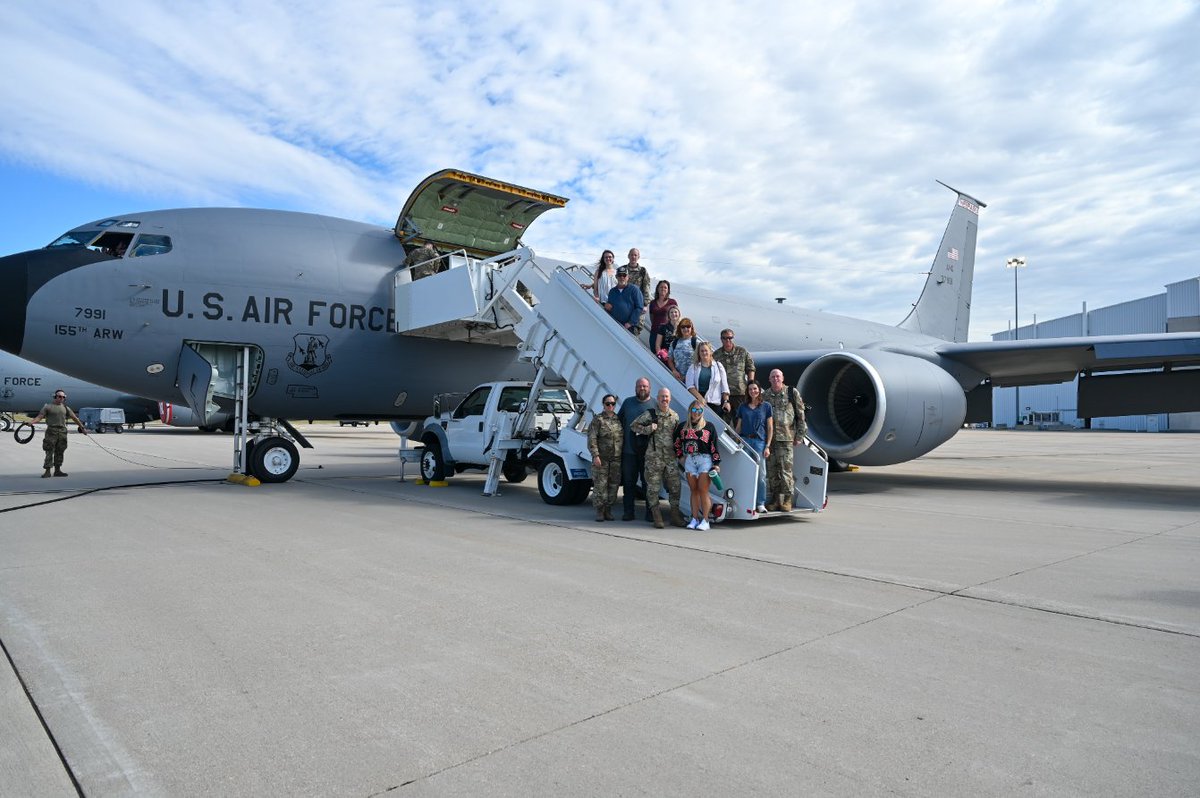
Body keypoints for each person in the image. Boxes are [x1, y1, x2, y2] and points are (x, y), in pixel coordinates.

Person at [630, 386, 685, 529]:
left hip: (670, 458)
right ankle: (656, 515)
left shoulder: (675, 416)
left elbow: (676, 437)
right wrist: (647, 429)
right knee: (653, 488)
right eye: (662, 396)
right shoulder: (650, 414)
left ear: (670, 399)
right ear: (658, 398)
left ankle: (674, 515)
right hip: (653, 458)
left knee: (675, 487)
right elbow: (633, 426)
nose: (664, 399)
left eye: (666, 397)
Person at [762, 368, 809, 512]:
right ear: (769, 380)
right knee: (772, 471)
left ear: (782, 378)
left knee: (785, 470)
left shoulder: (791, 393)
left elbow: (801, 415)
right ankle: (776, 499)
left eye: (778, 376)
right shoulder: (765, 396)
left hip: (786, 438)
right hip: (771, 440)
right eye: (773, 377)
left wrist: (800, 436)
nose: (775, 379)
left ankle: (787, 499)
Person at [675, 399, 721, 530]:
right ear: (690, 410)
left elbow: (714, 446)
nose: (696, 412)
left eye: (699, 410)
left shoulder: (709, 426)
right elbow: (676, 443)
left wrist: (716, 463)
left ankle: (705, 521)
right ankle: (694, 519)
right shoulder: (683, 427)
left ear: (703, 412)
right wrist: (680, 457)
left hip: (704, 460)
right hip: (690, 460)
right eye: (694, 410)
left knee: (703, 490)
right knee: (693, 490)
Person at [617, 377, 655, 521]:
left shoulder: (655, 404)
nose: (642, 388)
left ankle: (650, 513)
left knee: (648, 485)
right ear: (635, 388)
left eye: (645, 386)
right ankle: (628, 512)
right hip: (629, 452)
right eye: (639, 386)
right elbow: (619, 423)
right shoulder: (628, 403)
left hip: (648, 454)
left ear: (649, 388)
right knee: (629, 483)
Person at [733, 380, 773, 513]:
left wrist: (767, 446)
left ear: (759, 389)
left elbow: (770, 427)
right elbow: (738, 426)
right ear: (747, 391)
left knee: (761, 475)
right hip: (745, 441)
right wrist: (736, 441)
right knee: (745, 473)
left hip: (759, 442)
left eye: (755, 388)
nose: (753, 391)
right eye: (750, 389)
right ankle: (747, 501)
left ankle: (760, 503)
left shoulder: (766, 406)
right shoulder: (743, 407)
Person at [30, 388, 87, 477]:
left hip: (62, 432)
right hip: (51, 432)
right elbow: (39, 417)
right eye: (59, 396)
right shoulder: (48, 407)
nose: (61, 398)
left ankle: (57, 470)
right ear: (55, 397)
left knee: (60, 451)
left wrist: (82, 428)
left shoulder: (66, 408)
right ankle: (47, 471)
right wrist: (31, 422)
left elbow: (75, 418)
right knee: (49, 451)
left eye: (63, 397)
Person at [587, 394, 623, 521]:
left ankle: (608, 510)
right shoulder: (598, 420)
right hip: (601, 459)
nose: (610, 406)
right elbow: (592, 438)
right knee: (600, 486)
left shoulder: (618, 420)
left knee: (613, 486)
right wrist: (595, 455)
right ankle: (600, 511)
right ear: (603, 405)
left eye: (613, 404)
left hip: (616, 459)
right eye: (608, 404)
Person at [712, 328, 755, 420]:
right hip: (723, 394)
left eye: (730, 338)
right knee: (724, 421)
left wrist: (750, 383)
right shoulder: (716, 355)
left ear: (733, 338)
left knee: (740, 419)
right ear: (721, 339)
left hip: (740, 393)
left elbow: (750, 368)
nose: (728, 340)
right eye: (725, 338)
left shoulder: (742, 352)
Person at [684, 341, 730, 418]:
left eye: (706, 350)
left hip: (715, 403)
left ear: (710, 352)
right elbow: (689, 386)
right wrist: (700, 398)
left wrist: (726, 401)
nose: (704, 353)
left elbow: (724, 387)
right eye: (701, 351)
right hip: (698, 402)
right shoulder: (693, 367)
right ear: (698, 353)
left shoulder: (719, 366)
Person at [605, 266, 642, 335]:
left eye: (624, 275)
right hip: (614, 325)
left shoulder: (634, 290)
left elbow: (639, 307)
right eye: (619, 275)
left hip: (629, 327)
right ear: (616, 277)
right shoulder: (612, 291)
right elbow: (609, 306)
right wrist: (607, 306)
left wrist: (630, 323)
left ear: (628, 277)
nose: (622, 277)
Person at [668, 317, 703, 381]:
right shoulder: (674, 343)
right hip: (678, 378)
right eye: (683, 327)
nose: (685, 329)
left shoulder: (696, 342)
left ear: (691, 328)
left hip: (692, 378)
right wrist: (674, 370)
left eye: (688, 327)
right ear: (680, 329)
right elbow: (670, 359)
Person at [624, 248, 652, 328]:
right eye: (632, 255)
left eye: (635, 255)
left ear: (638, 257)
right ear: (628, 256)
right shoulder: (623, 270)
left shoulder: (642, 271)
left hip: (638, 305)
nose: (633, 257)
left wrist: (645, 305)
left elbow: (646, 287)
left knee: (636, 328)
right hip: (624, 304)